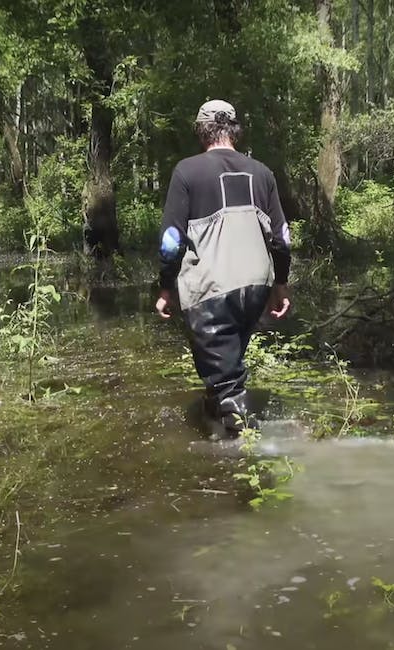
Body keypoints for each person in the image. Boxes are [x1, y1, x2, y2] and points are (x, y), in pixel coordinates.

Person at [155, 99, 292, 434]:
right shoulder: (262, 173)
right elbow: (282, 238)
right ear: (234, 131)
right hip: (256, 286)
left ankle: (239, 456)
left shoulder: (187, 170)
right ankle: (215, 421)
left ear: (202, 131)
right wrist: (280, 283)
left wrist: (166, 286)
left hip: (211, 288)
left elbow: (172, 240)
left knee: (227, 382)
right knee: (225, 367)